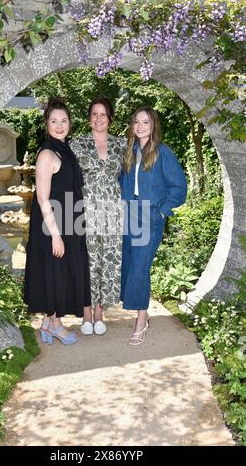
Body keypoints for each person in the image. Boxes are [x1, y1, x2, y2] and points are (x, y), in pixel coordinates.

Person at [24, 98, 91, 345]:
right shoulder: (47, 154)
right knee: (54, 273)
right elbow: (42, 199)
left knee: (60, 273)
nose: (59, 125)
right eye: (54, 121)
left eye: (64, 121)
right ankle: (55, 325)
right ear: (46, 124)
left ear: (70, 124)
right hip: (52, 224)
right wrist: (55, 234)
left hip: (69, 220)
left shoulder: (65, 149)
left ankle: (47, 323)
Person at [119, 107, 187, 346]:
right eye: (136, 122)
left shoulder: (162, 153)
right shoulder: (129, 152)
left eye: (145, 122)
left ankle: (140, 322)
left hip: (150, 217)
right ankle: (143, 313)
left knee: (140, 266)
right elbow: (121, 183)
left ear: (153, 125)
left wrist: (161, 210)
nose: (140, 126)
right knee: (130, 264)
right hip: (129, 215)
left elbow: (179, 188)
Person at [71, 98, 126, 336]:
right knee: (87, 260)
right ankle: (86, 314)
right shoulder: (76, 144)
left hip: (113, 209)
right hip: (85, 208)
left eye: (103, 114)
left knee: (108, 258)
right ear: (88, 118)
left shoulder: (122, 144)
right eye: (94, 114)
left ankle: (101, 313)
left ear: (110, 118)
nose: (98, 118)